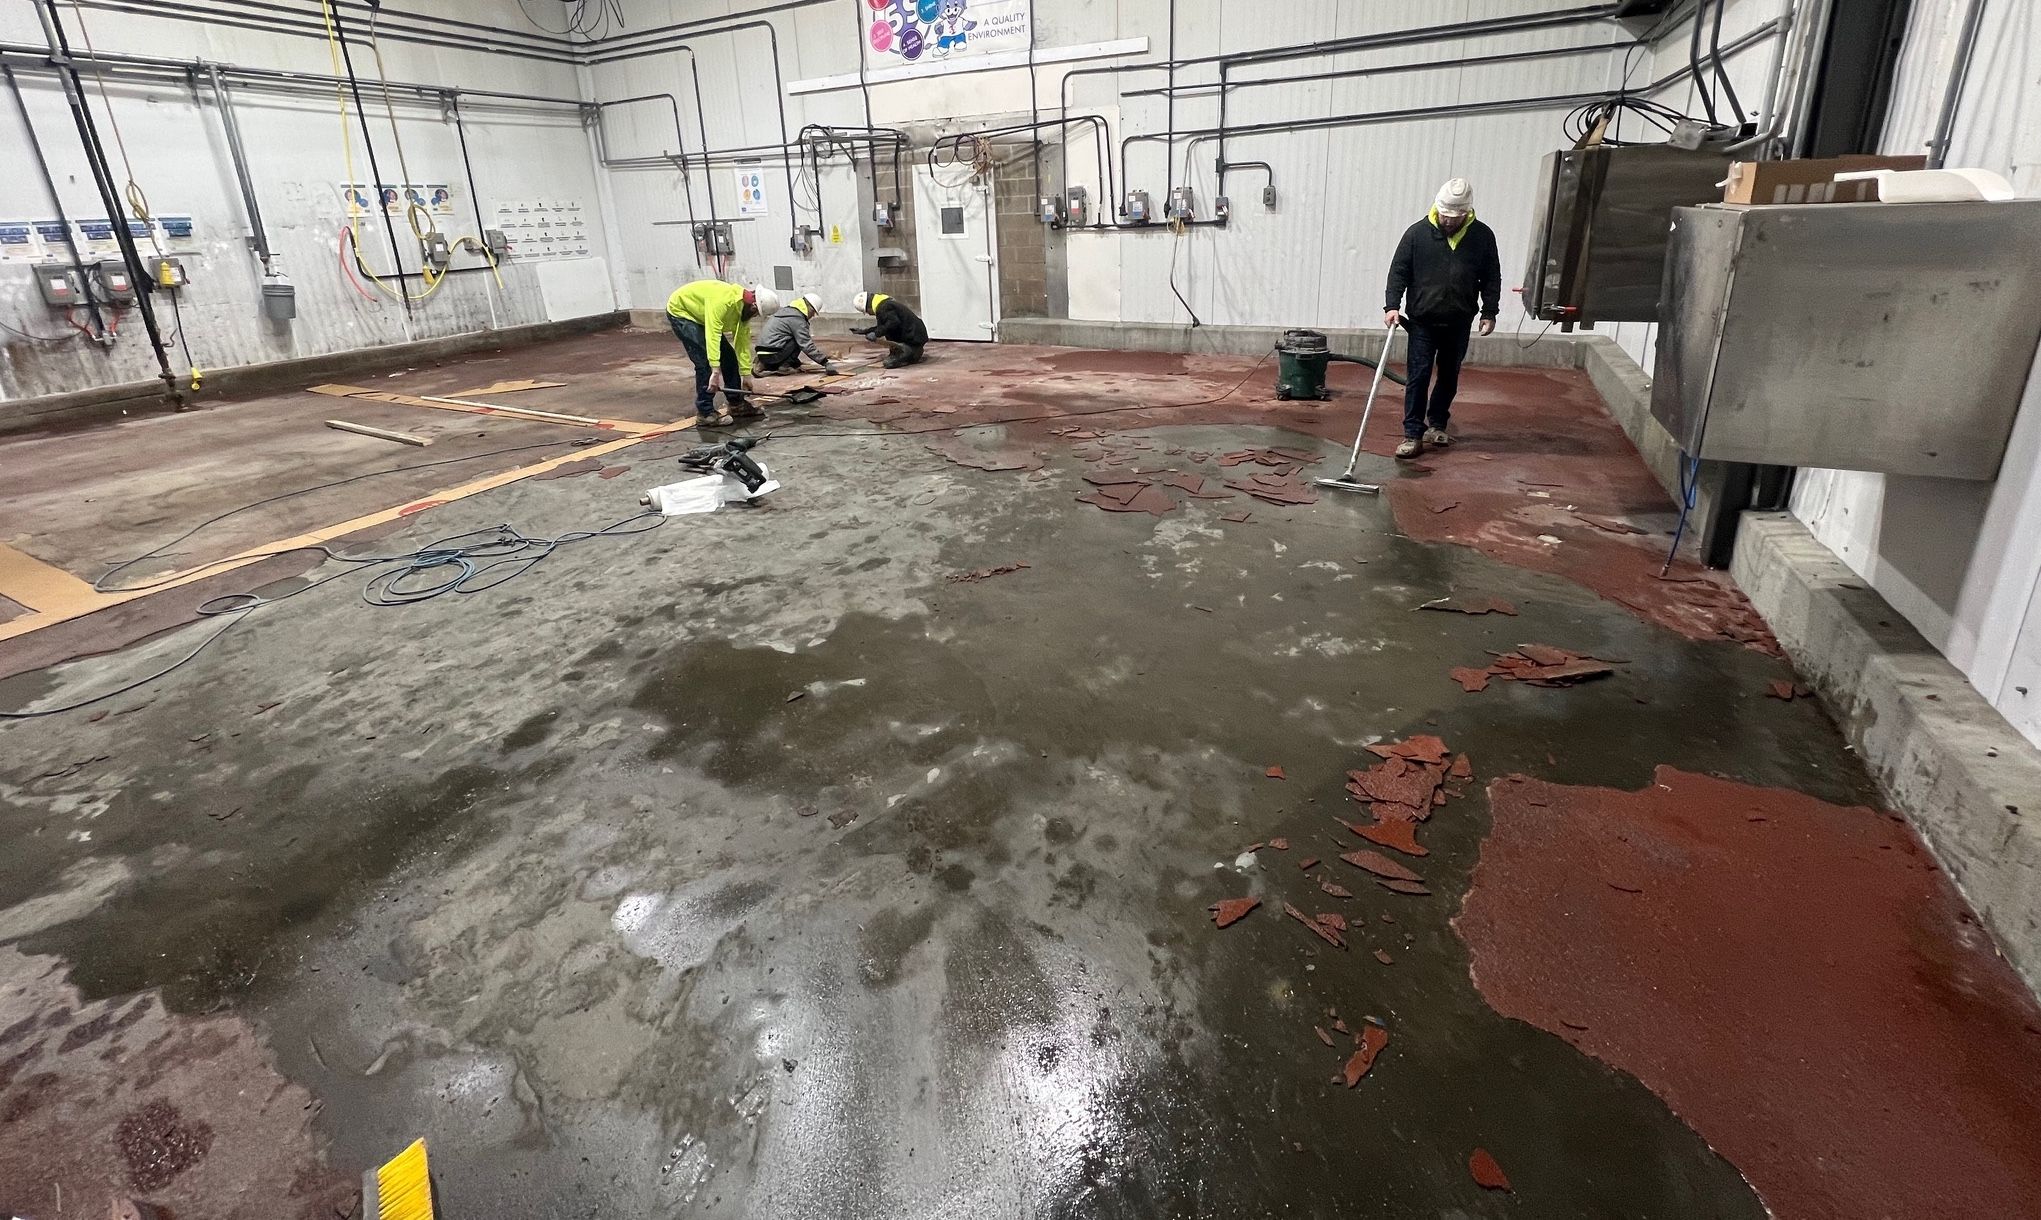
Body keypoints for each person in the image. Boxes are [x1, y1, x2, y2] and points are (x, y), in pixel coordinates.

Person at [1383, 177, 1501, 458]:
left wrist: (1490, 311)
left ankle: (1436, 424)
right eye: (1445, 215)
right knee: (1419, 376)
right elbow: (1398, 271)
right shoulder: (1416, 234)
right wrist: (1391, 306)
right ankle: (1412, 433)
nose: (1448, 221)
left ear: (1466, 213)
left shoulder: (1482, 236)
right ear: (1438, 208)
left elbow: (1491, 276)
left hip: (1459, 320)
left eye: (1454, 217)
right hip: (1423, 320)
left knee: (1449, 376)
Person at [667, 279, 780, 426]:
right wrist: (715, 371)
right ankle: (705, 413)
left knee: (729, 357)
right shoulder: (723, 302)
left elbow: (742, 343)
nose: (756, 317)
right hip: (682, 312)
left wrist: (746, 375)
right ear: (753, 306)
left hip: (701, 316)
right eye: (757, 314)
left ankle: (736, 404)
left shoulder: (742, 311)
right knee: (704, 363)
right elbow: (712, 333)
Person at [754, 293, 839, 376]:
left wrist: (796, 363)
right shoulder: (797, 319)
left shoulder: (785, 312)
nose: (812, 316)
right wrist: (825, 363)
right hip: (774, 353)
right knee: (799, 339)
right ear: (810, 308)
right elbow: (806, 345)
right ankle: (784, 366)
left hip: (762, 353)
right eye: (813, 312)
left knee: (791, 340)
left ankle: (764, 364)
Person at [852, 291, 928, 368]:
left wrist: (876, 334)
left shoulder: (884, 308)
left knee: (888, 363)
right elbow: (884, 326)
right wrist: (865, 331)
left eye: (867, 312)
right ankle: (909, 352)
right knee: (887, 332)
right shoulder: (885, 304)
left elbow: (893, 323)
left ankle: (911, 353)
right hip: (914, 338)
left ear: (868, 307)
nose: (869, 314)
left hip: (912, 342)